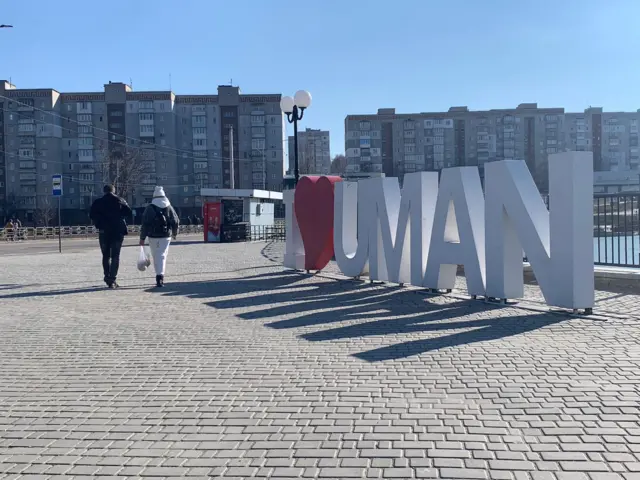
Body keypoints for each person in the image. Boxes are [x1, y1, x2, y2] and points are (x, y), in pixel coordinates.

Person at [90, 185, 132, 288]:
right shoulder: (120, 200)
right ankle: (112, 279)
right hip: (117, 231)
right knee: (115, 256)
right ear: (114, 191)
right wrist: (119, 215)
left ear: (103, 191)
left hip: (104, 231)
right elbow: (128, 212)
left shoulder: (98, 202)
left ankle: (107, 276)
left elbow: (91, 215)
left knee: (105, 255)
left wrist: (99, 222)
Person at [139, 186, 179, 288]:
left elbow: (145, 224)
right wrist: (174, 233)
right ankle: (160, 277)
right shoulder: (169, 207)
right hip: (166, 235)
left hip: (153, 235)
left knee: (155, 255)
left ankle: (158, 275)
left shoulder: (150, 208)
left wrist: (142, 238)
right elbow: (175, 221)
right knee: (162, 255)